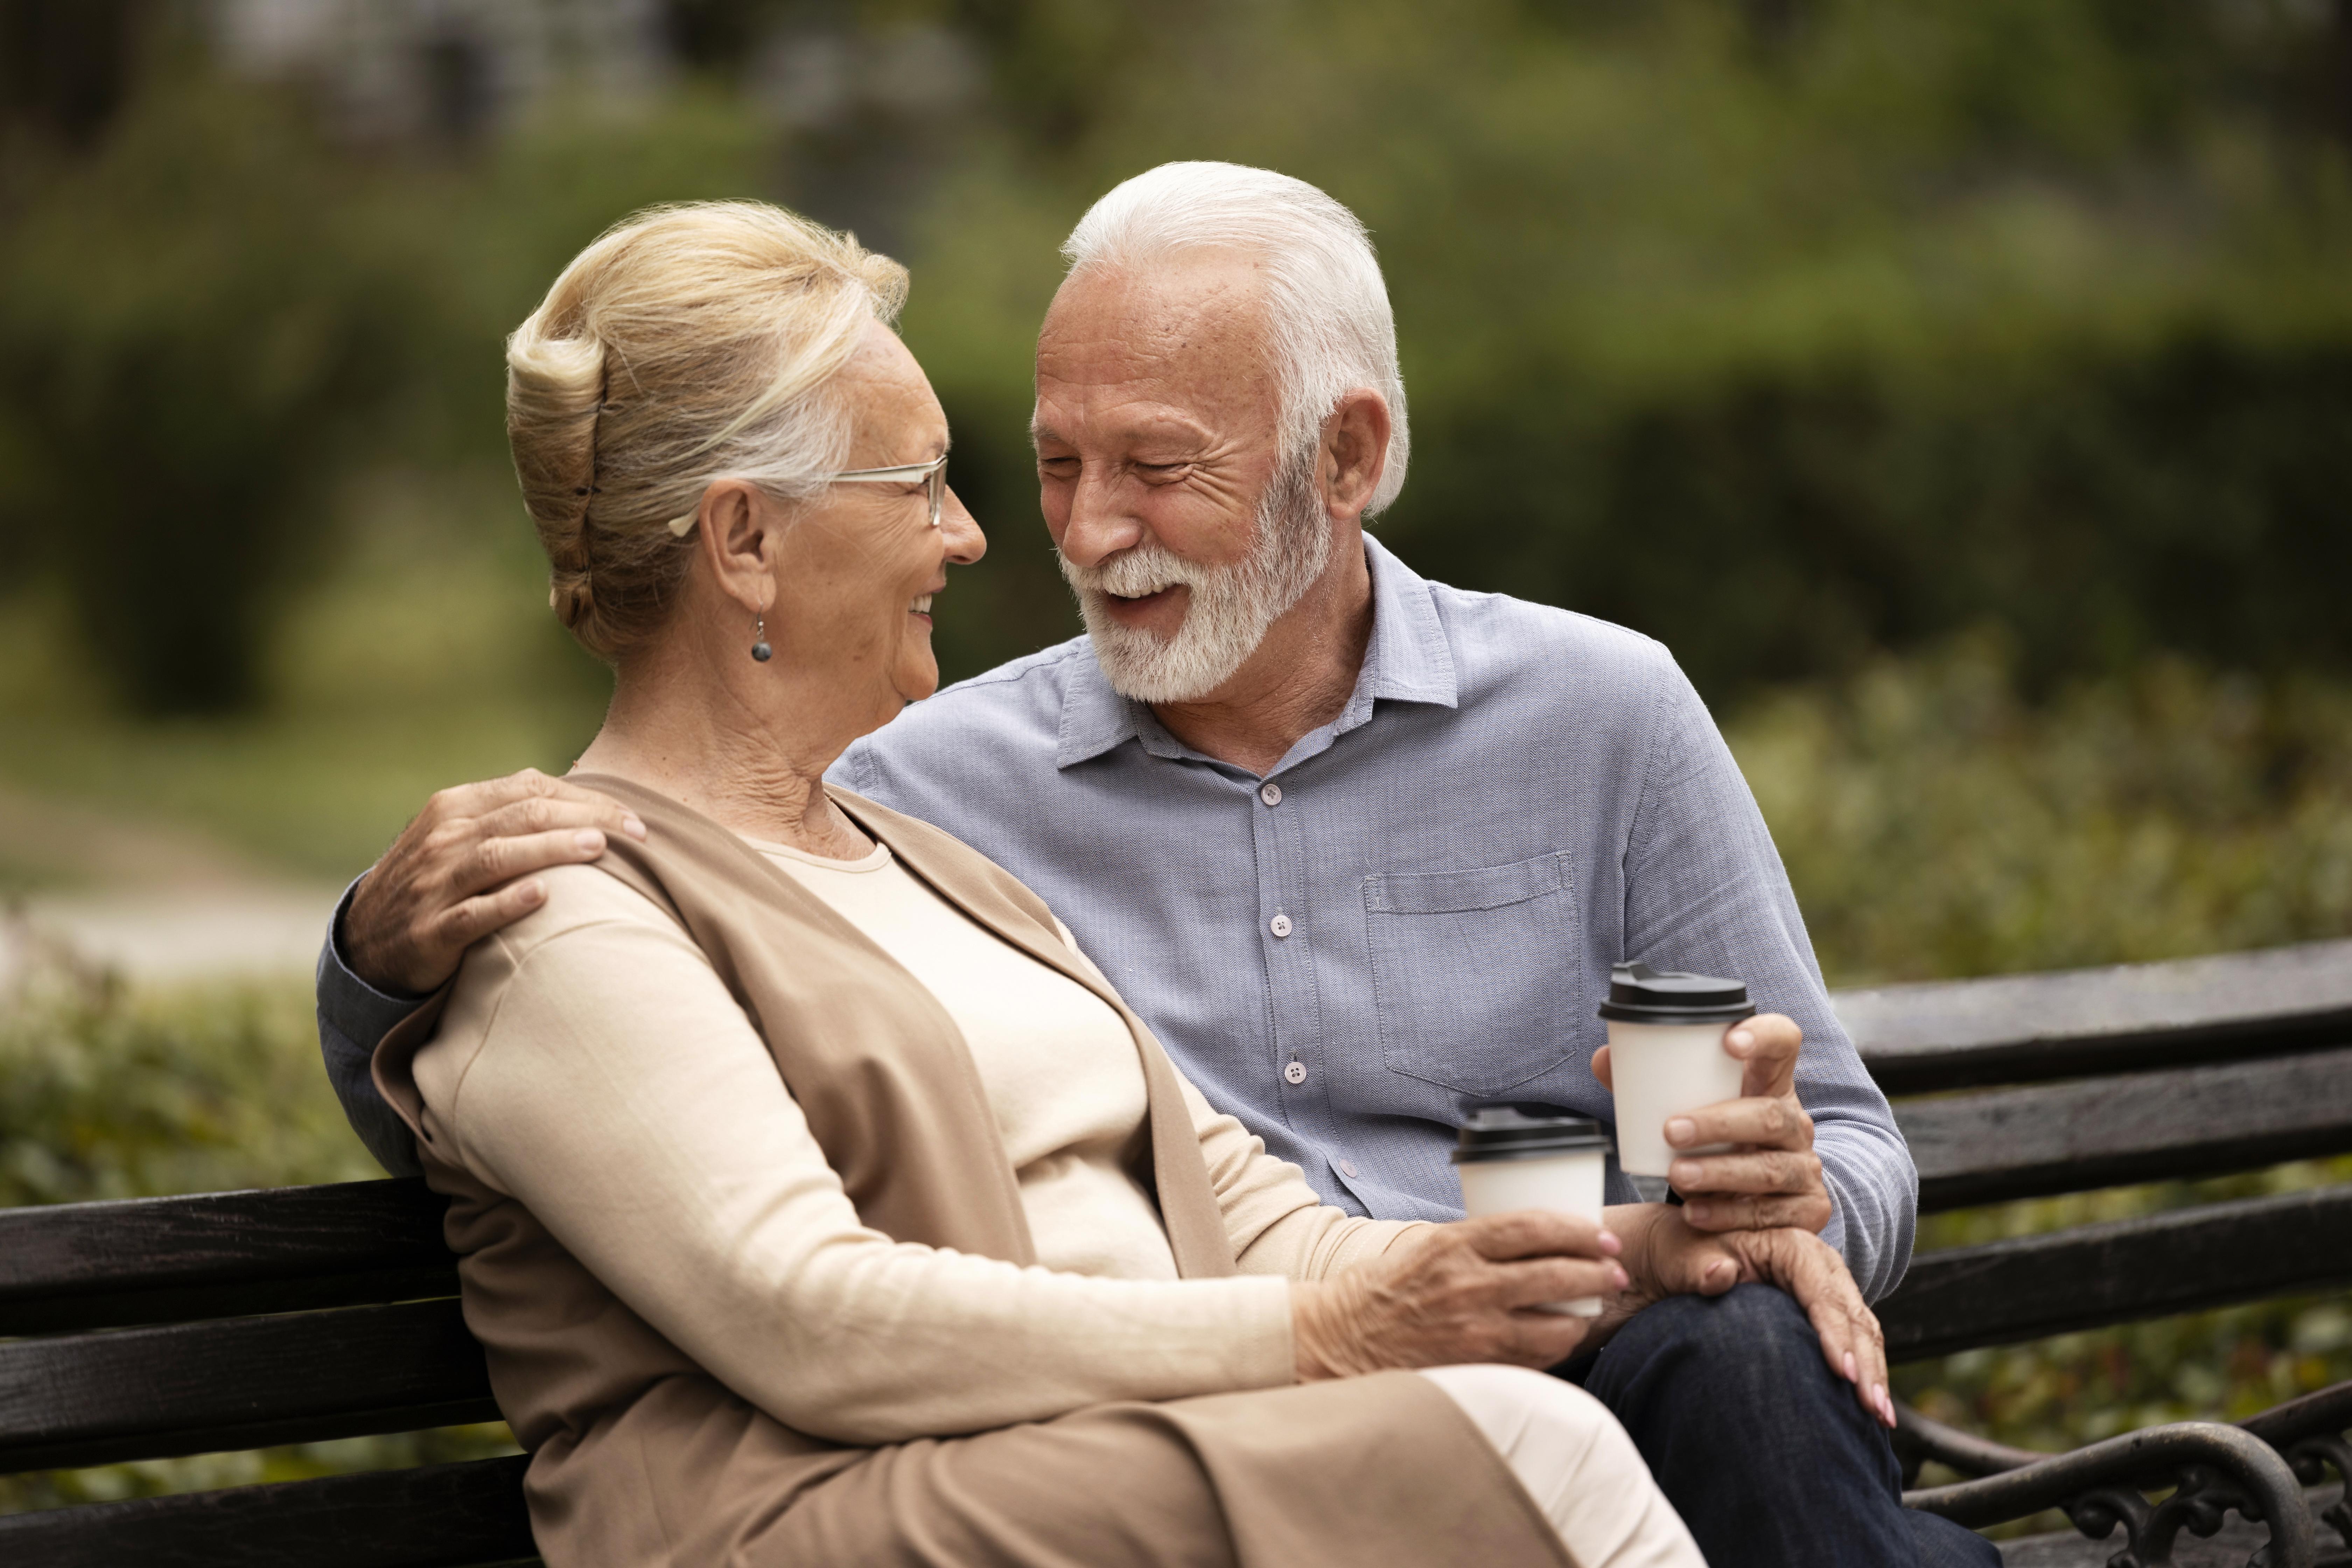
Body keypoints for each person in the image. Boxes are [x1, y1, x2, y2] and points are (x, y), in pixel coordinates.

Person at [321, 168, 1995, 1566]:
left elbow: (1818, 1143)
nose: (1048, 530)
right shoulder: (922, 787)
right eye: (1037, 464)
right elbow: (585, 1051)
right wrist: (371, 968)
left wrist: (1720, 1222)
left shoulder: (1591, 712)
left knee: (1737, 1353)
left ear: (1343, 458)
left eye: (1157, 467)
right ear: (748, 541)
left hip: (1487, 1358)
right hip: (1162, 1432)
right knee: (1546, 1439)